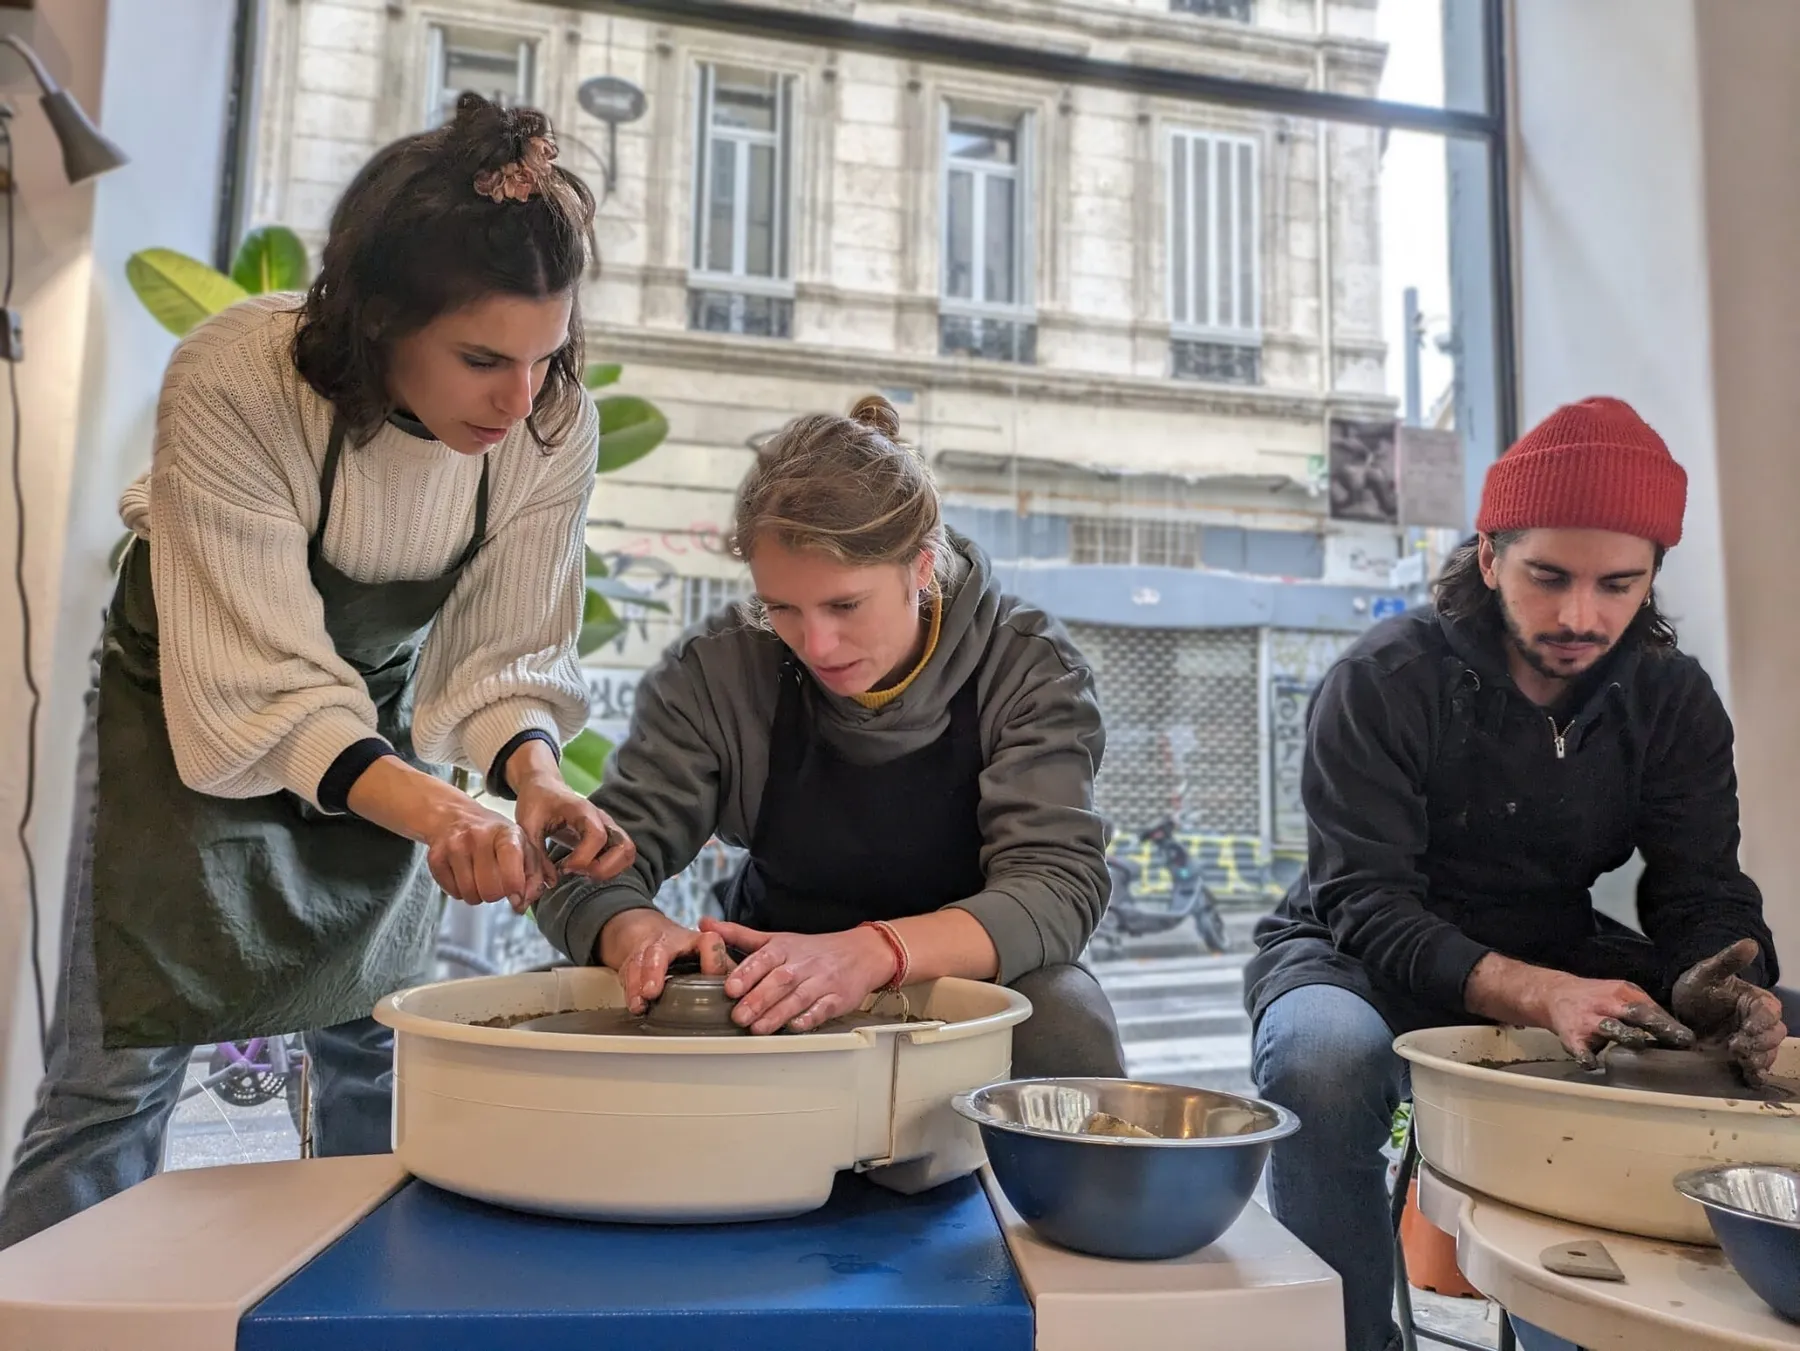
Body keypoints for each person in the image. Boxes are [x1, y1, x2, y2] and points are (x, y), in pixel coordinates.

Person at [0, 95, 636, 1250]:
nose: (519, 398)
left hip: (379, 716)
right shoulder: (239, 374)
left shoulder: (550, 425)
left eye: (545, 358)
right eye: (482, 357)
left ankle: (359, 1317)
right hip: (191, 703)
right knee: (113, 1085)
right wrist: (444, 807)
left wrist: (533, 780)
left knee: (381, 1058)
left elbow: (507, 643)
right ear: (381, 320)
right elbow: (259, 686)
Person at [1244, 397, 1787, 1351]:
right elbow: (1365, 899)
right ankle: (1347, 1339)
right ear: (1490, 556)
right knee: (1321, 1060)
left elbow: (1702, 886)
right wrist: (1537, 995)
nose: (1582, 616)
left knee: (1774, 1026)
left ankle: (1592, 1324)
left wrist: (1724, 977)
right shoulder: (1382, 678)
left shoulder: (1673, 699)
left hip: (1551, 939)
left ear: (1653, 575)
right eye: (1549, 577)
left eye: (1619, 585)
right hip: (1358, 951)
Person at [533, 396, 1126, 1077]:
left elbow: (1057, 885)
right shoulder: (721, 671)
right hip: (766, 993)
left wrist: (871, 953)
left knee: (1066, 1012)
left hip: (967, 996)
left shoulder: (1025, 666)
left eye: (845, 604)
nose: (816, 643)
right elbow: (589, 868)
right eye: (780, 607)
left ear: (921, 566)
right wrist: (639, 934)